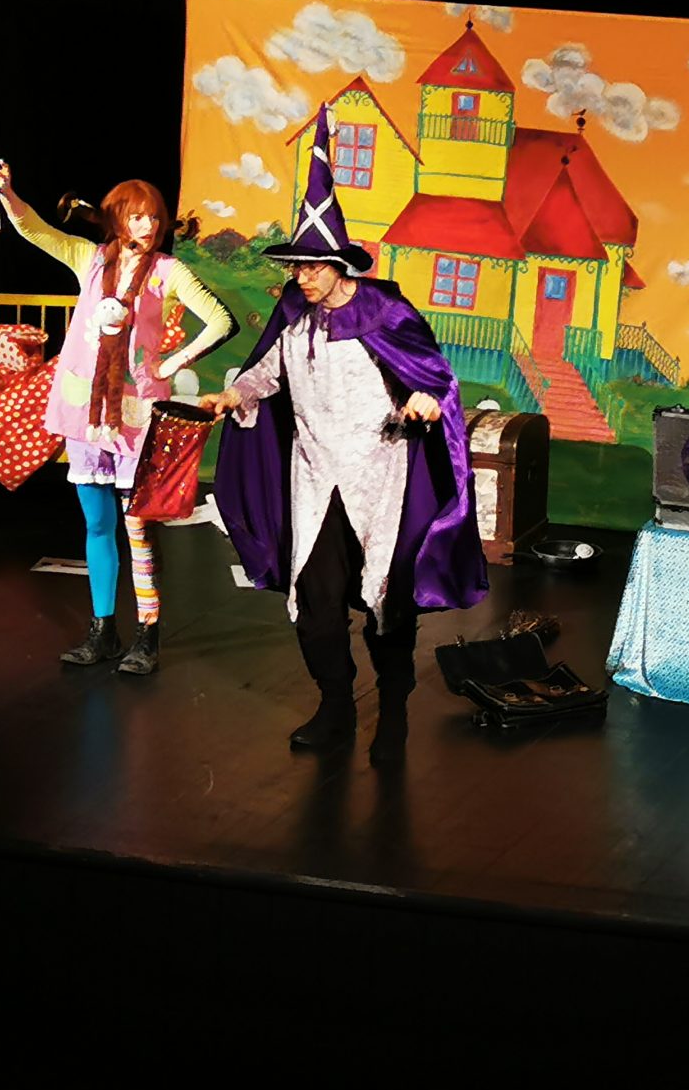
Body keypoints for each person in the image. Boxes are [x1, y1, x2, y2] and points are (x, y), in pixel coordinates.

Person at [199, 112, 486, 756]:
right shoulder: (293, 314)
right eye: (295, 268)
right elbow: (267, 372)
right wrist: (235, 393)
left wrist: (422, 400)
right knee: (315, 602)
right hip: (314, 479)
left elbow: (433, 378)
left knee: (386, 603)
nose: (300, 278)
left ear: (337, 265)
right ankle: (335, 706)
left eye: (311, 267)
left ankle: (393, 708)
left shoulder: (386, 311)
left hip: (380, 478)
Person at [0, 162, 233, 674]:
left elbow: (220, 320)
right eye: (138, 216)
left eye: (154, 217)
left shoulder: (168, 271)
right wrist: (7, 192)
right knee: (97, 524)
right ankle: (102, 631)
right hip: (85, 411)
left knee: (137, 528)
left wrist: (171, 363)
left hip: (136, 415)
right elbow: (35, 229)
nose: (148, 226)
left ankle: (147, 633)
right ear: (118, 219)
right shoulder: (91, 259)